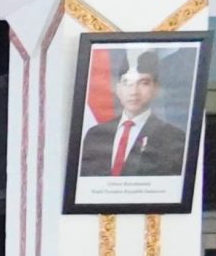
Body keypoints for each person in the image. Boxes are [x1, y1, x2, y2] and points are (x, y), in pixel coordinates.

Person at [76, 48, 188, 182]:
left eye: (143, 83)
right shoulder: (95, 135)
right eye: (127, 83)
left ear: (156, 88)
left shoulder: (173, 138)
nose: (134, 92)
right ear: (118, 88)